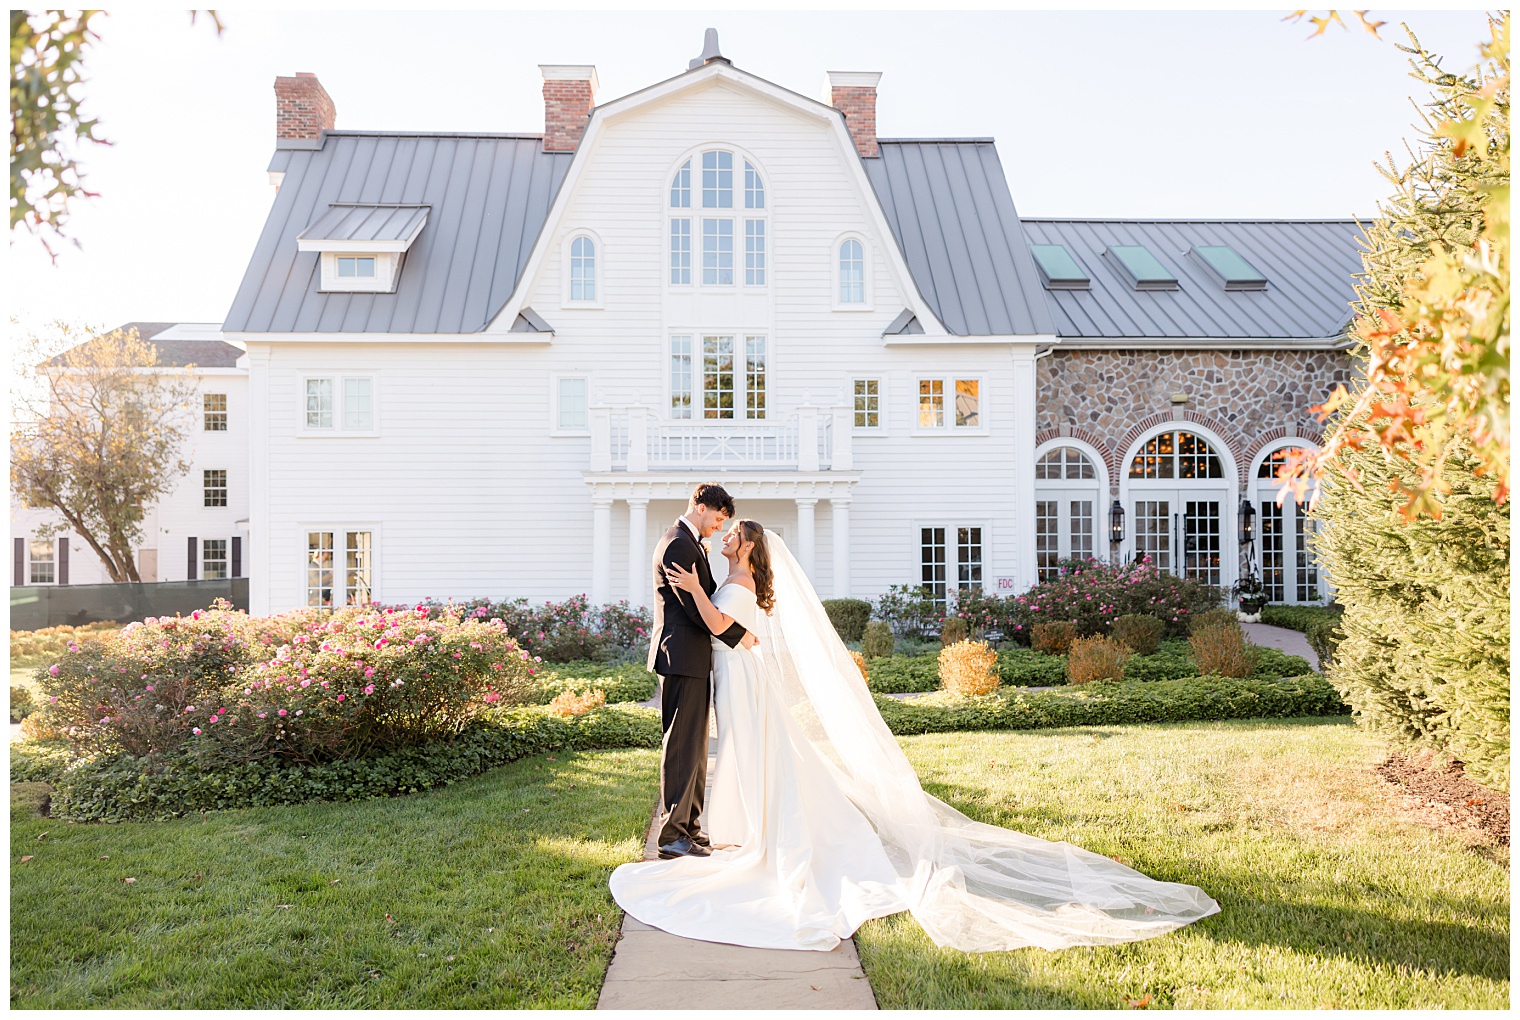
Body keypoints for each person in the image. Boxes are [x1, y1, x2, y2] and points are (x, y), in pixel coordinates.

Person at [611, 519, 1222, 954]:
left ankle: (774, 837)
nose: (724, 540)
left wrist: (693, 591)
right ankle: (754, 830)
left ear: (747, 547)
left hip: (743, 685)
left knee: (763, 759)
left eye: (731, 536)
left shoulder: (736, 585)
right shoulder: (740, 579)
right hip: (738, 685)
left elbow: (728, 628)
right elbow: (737, 636)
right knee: (758, 759)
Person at [646, 482, 757, 861]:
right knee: (681, 747)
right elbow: (697, 610)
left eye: (724, 521)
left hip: (691, 658)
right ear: (700, 506)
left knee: (694, 748)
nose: (718, 526)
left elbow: (703, 596)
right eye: (717, 518)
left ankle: (689, 829)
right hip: (680, 657)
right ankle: (672, 835)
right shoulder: (678, 543)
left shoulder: (688, 542)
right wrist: (740, 634)